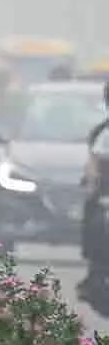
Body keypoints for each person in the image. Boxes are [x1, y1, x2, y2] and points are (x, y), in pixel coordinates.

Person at [78, 81, 109, 304]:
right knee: (95, 218)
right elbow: (94, 162)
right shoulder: (103, 132)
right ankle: (96, 271)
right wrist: (93, 183)